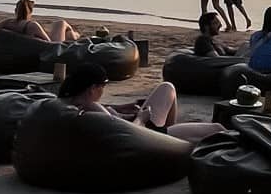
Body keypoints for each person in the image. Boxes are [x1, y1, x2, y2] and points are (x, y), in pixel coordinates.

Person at [59, 60, 223, 141]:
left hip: (137, 127)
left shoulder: (74, 102)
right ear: (93, 88)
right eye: (104, 85)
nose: (104, 90)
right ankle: (171, 145)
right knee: (216, 128)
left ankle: (171, 138)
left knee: (167, 88)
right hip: (146, 136)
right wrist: (141, 118)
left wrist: (122, 108)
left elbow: (106, 116)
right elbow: (127, 136)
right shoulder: (92, 109)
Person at [0, 0, 77, 44]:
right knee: (60, 23)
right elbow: (49, 43)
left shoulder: (8, 22)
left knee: (64, 31)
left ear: (16, 10)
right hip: (52, 47)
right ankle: (76, 36)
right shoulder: (32, 25)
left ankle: (73, 36)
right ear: (30, 12)